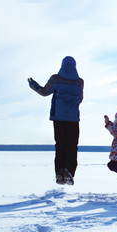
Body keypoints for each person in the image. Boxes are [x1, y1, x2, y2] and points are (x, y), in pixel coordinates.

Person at [27, 56, 84, 185]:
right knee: (72, 147)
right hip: (73, 119)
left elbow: (44, 92)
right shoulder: (80, 82)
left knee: (60, 146)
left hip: (58, 118)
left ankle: (59, 174)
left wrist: (33, 85)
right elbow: (80, 99)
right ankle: (69, 172)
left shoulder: (56, 79)